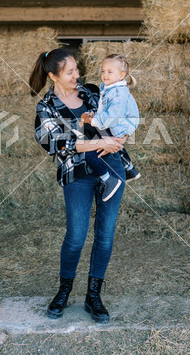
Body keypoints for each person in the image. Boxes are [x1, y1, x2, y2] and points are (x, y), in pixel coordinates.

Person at [29, 48, 131, 324]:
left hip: (112, 168)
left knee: (105, 235)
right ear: (53, 76)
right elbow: (56, 144)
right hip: (78, 175)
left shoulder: (93, 93)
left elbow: (121, 114)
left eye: (77, 69)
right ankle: (64, 290)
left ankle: (93, 295)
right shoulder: (46, 107)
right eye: (70, 71)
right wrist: (100, 142)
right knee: (76, 236)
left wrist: (121, 136)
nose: (77, 75)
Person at [80, 54, 141, 202]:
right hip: (119, 123)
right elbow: (106, 110)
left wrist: (93, 120)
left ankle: (108, 179)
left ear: (121, 75)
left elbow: (113, 115)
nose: (105, 74)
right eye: (103, 71)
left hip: (120, 124)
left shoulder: (118, 93)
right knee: (108, 141)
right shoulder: (110, 88)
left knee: (89, 149)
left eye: (109, 71)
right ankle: (130, 169)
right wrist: (95, 114)